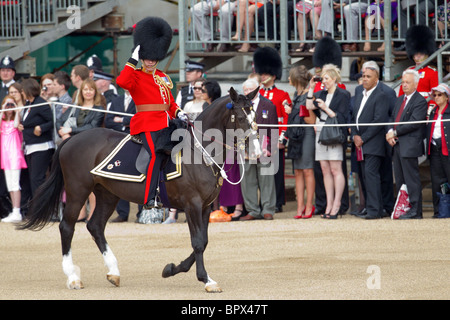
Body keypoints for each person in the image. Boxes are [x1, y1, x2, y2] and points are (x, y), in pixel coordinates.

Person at [115, 17, 187, 210]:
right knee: (156, 155)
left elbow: (169, 102)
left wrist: (179, 112)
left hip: (166, 123)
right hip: (146, 123)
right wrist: (133, 59)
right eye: (147, 58)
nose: (150, 62)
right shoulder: (135, 75)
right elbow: (122, 82)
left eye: (153, 59)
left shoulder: (162, 76)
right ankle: (149, 198)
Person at [56, 78, 105, 221]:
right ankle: (81, 212)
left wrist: (70, 130)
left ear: (95, 92)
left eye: (91, 89)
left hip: (90, 149)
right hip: (74, 149)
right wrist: (62, 131)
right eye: (85, 89)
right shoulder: (75, 107)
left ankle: (93, 213)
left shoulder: (99, 109)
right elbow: (59, 120)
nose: (88, 92)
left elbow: (92, 127)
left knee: (91, 181)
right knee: (77, 181)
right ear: (81, 92)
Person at [306, 64, 350, 219]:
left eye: (326, 78)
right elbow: (309, 106)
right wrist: (311, 88)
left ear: (334, 79)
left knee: (336, 169)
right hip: (320, 130)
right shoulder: (320, 93)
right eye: (322, 78)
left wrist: (325, 108)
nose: (323, 81)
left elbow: (343, 117)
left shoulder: (343, 94)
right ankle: (329, 204)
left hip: (334, 131)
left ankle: (337, 204)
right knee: (325, 169)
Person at [352, 60, 396, 217]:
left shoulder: (381, 95)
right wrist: (354, 135)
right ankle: (371, 208)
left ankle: (375, 210)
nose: (365, 79)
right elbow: (354, 116)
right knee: (365, 176)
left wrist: (362, 138)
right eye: (363, 76)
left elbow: (379, 120)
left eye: (368, 76)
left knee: (372, 176)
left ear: (376, 79)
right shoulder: (359, 93)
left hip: (374, 142)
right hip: (360, 142)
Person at [253, 46, 291, 213]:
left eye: (266, 74)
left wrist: (282, 139)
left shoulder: (282, 95)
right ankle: (264, 202)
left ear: (273, 75)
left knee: (276, 172)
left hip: (275, 138)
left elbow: (285, 119)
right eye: (261, 74)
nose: (262, 76)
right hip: (259, 138)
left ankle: (278, 201)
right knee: (261, 173)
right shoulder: (257, 93)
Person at [386, 69, 427, 219]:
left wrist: (394, 133)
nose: (404, 85)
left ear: (416, 83)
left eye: (407, 82)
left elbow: (414, 123)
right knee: (401, 179)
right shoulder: (399, 100)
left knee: (412, 179)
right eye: (403, 82)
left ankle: (416, 210)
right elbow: (392, 118)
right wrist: (390, 130)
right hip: (397, 145)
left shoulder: (420, 101)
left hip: (409, 145)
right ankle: (404, 207)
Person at [239, 77, 278, 221]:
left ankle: (268, 209)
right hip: (246, 146)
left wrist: (270, 148)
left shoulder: (269, 105)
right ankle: (252, 210)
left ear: (257, 89)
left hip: (264, 146)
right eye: (246, 90)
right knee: (247, 180)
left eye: (251, 89)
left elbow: (274, 129)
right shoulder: (240, 106)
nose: (248, 92)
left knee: (266, 179)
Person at [284, 65, 316, 219]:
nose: (288, 79)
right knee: (297, 171)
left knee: (308, 170)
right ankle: (300, 206)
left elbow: (312, 120)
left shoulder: (308, 95)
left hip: (307, 133)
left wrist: (295, 112)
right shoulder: (295, 95)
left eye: (290, 77)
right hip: (296, 135)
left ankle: (309, 205)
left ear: (296, 79)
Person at [105, 90, 140, 223]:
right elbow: (108, 121)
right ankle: (122, 213)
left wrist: (121, 119)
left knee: (139, 171)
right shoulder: (116, 100)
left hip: (136, 139)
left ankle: (141, 213)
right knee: (119, 174)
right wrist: (126, 121)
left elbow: (138, 118)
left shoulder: (139, 99)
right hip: (118, 141)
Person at [18, 78, 55, 196]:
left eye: (23, 90)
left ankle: (40, 209)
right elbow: (27, 122)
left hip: (41, 147)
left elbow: (51, 121)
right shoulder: (28, 104)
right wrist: (21, 125)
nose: (22, 93)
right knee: (32, 179)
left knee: (37, 179)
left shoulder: (41, 103)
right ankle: (36, 208)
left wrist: (41, 128)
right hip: (29, 146)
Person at [0, 95, 27, 223]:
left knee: (15, 184)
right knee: (10, 184)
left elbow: (16, 124)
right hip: (5, 157)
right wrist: (3, 110)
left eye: (11, 104)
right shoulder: (3, 121)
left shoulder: (17, 119)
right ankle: (14, 210)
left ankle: (17, 211)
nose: (9, 107)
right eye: (7, 104)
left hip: (15, 155)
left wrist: (16, 111)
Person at [426, 84, 450, 218]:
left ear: (447, 97)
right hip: (434, 149)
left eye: (439, 95)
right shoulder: (433, 110)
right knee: (436, 181)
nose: (436, 97)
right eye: (434, 95)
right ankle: (438, 211)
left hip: (448, 150)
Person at [399, 25, 438, 101]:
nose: (418, 56)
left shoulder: (432, 72)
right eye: (416, 54)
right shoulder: (407, 72)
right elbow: (401, 95)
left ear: (427, 54)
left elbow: (435, 95)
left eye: (421, 53)